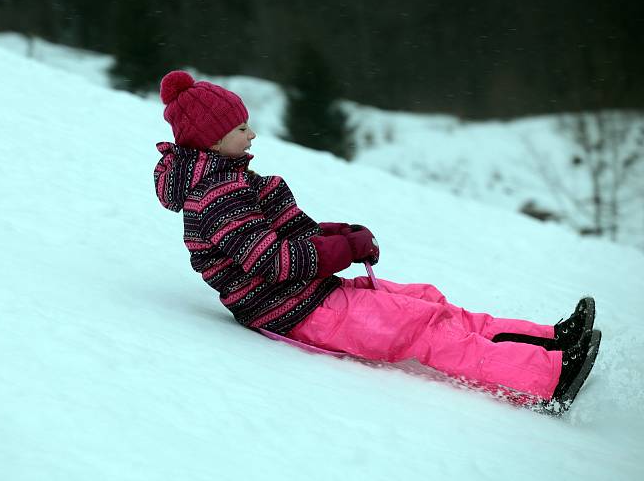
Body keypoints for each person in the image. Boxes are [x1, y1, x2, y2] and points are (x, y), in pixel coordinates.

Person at [153, 70, 601, 414]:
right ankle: (546, 381)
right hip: (293, 309)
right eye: (241, 128)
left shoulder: (232, 181)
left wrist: (342, 235)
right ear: (211, 140)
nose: (252, 135)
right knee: (420, 327)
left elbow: (293, 237)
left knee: (428, 301)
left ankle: (548, 341)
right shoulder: (216, 196)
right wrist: (343, 251)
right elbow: (275, 261)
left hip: (309, 295)